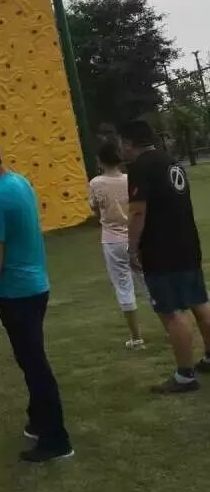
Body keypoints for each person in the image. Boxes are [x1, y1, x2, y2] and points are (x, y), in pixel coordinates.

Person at [0, 134, 73, 463]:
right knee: (30, 360)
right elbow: (15, 224)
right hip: (36, 286)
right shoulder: (18, 182)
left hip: (19, 292)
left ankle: (57, 440)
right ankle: (39, 421)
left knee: (35, 365)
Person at [120, 120, 210, 393]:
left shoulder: (140, 167)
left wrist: (132, 247)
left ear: (128, 143)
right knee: (199, 302)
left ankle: (184, 376)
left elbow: (137, 212)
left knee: (171, 312)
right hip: (187, 244)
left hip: (161, 249)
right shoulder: (172, 162)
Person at [89, 139, 145, 350]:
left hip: (112, 240)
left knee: (123, 287)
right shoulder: (130, 179)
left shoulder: (96, 183)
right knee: (148, 282)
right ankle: (170, 326)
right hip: (134, 236)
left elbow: (95, 207)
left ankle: (136, 337)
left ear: (100, 160)